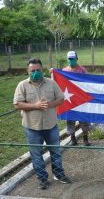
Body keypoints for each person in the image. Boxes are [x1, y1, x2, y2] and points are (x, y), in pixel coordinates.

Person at [13, 58, 71, 190]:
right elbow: (17, 104)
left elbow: (61, 98)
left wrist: (48, 104)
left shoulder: (51, 83)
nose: (35, 73)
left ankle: (59, 175)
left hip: (51, 125)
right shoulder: (22, 85)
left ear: (42, 69)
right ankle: (42, 179)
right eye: (32, 71)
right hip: (32, 127)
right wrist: (36, 105)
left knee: (55, 151)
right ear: (28, 71)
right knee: (36, 154)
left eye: (38, 70)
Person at [62, 51, 91, 146]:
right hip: (70, 99)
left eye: (73, 59)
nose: (71, 60)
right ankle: (73, 138)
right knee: (70, 120)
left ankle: (85, 139)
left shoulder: (82, 70)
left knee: (84, 119)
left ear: (77, 59)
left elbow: (89, 81)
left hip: (81, 99)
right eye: (69, 59)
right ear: (67, 59)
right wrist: (53, 72)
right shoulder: (64, 71)